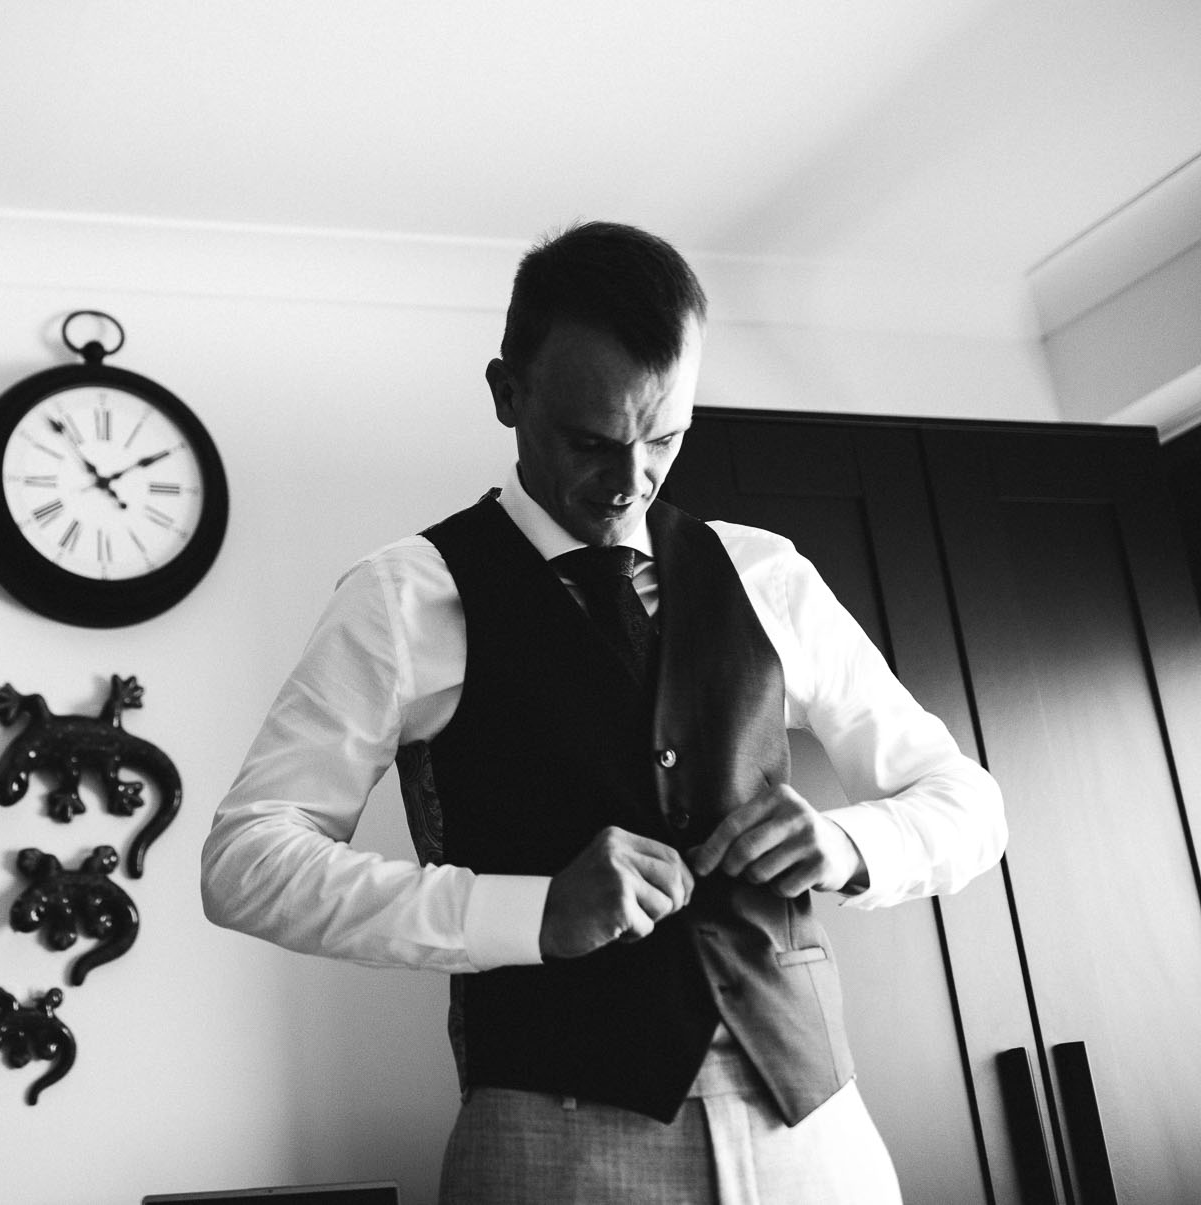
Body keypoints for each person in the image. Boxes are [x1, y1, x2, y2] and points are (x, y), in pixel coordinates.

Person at [199, 221, 1007, 1203]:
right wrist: (526, 910)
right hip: (556, 1138)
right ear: (505, 393)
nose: (628, 482)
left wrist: (845, 845)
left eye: (663, 437)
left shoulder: (763, 572)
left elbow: (965, 803)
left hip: (815, 1129)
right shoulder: (399, 596)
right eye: (591, 442)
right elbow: (245, 861)